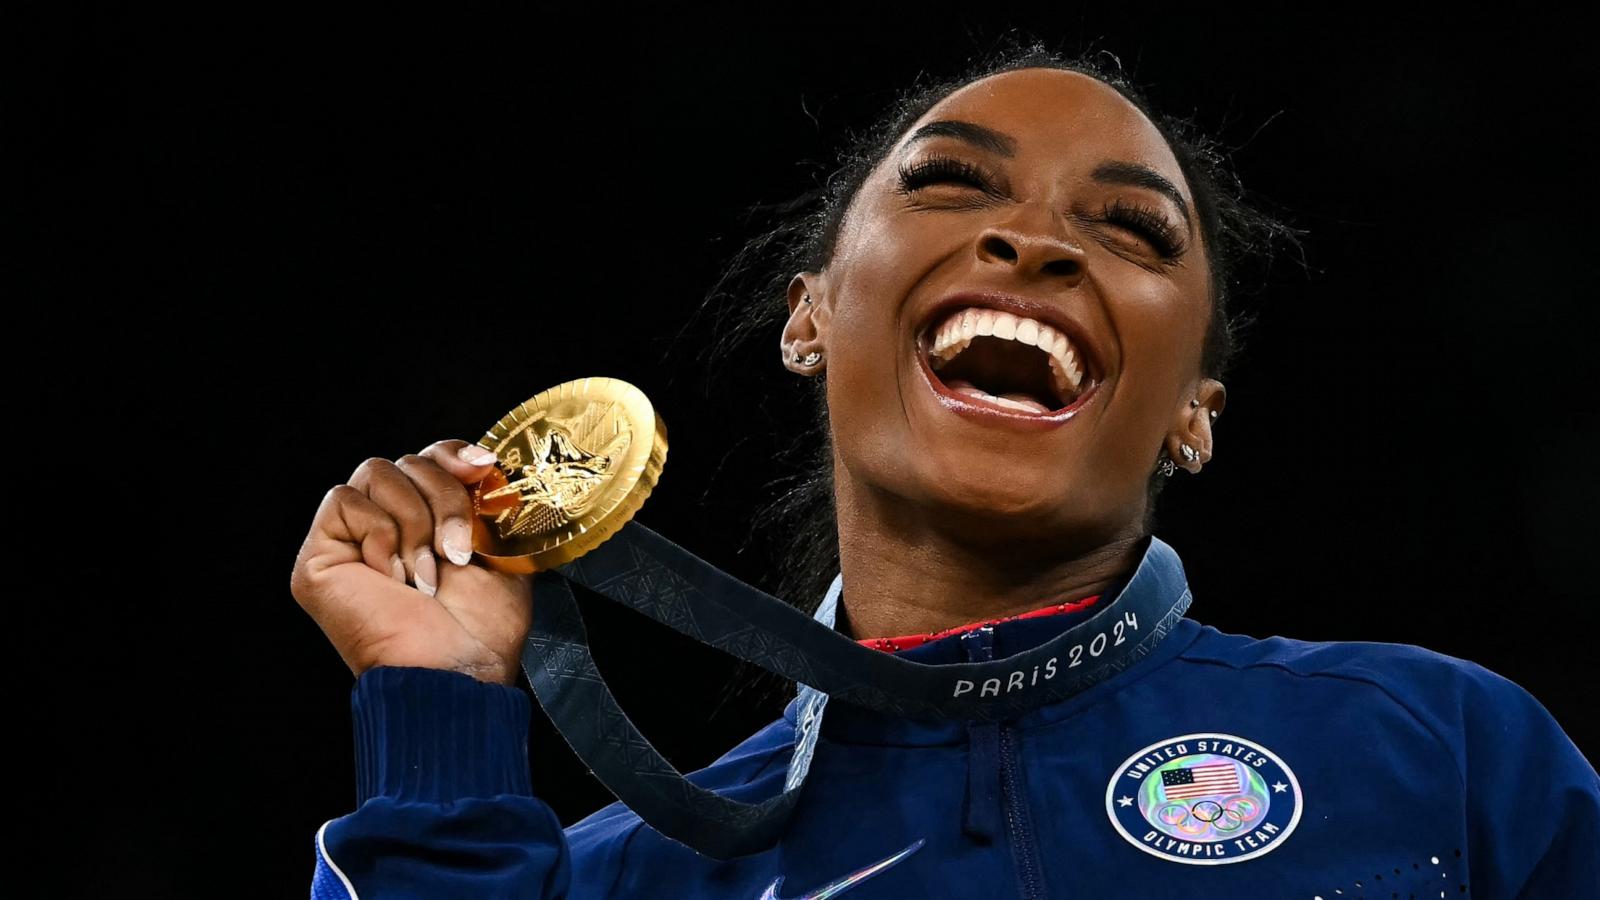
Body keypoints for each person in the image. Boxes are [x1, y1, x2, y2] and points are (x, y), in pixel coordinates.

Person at [290, 43, 1599, 899]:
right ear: (810, 318)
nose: (1031, 243)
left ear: (1194, 413)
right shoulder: (630, 878)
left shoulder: (1449, 755)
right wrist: (437, 717)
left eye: (1132, 228)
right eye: (952, 188)